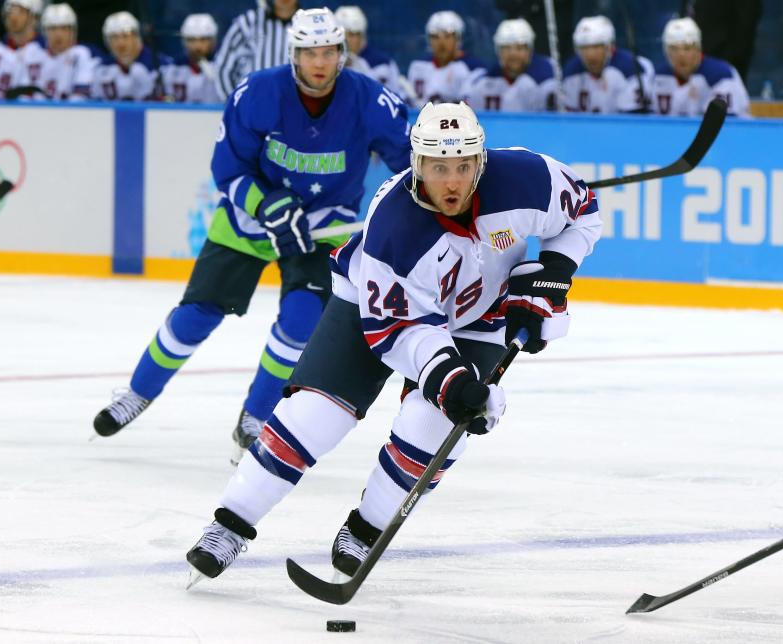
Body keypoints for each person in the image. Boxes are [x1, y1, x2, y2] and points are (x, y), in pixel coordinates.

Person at [183, 101, 602, 585]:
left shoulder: (527, 179)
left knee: (432, 428)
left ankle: (365, 530)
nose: (452, 181)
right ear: (417, 165)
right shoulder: (396, 226)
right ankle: (230, 524)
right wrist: (449, 378)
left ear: (480, 162)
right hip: (377, 307)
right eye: (438, 168)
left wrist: (555, 270)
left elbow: (584, 212)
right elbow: (400, 333)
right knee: (316, 415)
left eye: (463, 166)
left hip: (478, 313)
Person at [92, 8, 411, 466]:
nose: (319, 62)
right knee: (196, 315)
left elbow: (408, 164)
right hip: (250, 218)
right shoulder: (259, 91)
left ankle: (256, 417)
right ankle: (138, 392)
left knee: (302, 320)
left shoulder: (370, 100)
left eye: (328, 51)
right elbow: (227, 167)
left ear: (343, 54)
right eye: (308, 52)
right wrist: (267, 205)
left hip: (322, 226)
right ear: (293, 55)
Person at [652, 17, 749, 117]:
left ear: (698, 49)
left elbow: (728, 124)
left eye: (687, 48)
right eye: (674, 49)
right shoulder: (659, 76)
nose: (681, 55)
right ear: (666, 52)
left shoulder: (721, 75)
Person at [562, 15, 654, 114]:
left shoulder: (629, 69)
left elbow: (634, 121)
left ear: (610, 47)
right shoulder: (571, 70)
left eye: (596, 47)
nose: (590, 55)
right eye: (584, 48)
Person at [462, 18, 558, 112]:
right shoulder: (482, 83)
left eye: (519, 48)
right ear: (498, 51)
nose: (513, 54)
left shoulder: (545, 82)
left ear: (530, 51)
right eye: (507, 48)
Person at [213, 0, 298, 101]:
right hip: (252, 108)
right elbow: (223, 69)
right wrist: (237, 105)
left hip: (297, 110)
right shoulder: (248, 23)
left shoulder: (309, 26)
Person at [407, 10, 485, 105]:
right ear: (428, 39)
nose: (441, 43)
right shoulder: (418, 66)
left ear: (458, 38)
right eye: (435, 37)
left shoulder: (473, 69)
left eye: (447, 36)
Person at [92, 11, 170, 101]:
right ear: (107, 42)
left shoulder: (162, 66)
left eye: (126, 36)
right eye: (114, 38)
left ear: (137, 37)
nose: (121, 44)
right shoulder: (101, 69)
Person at [334, 5, 405, 99]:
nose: (355, 40)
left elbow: (395, 99)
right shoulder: (327, 61)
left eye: (358, 34)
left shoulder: (383, 63)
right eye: (350, 34)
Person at [37, 3, 96, 101]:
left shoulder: (81, 54)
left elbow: (80, 97)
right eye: (53, 28)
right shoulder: (35, 55)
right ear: (44, 31)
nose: (58, 34)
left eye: (64, 28)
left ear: (73, 31)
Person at [163, 13, 219, 104]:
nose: (197, 46)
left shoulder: (223, 69)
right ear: (184, 42)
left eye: (203, 40)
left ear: (213, 41)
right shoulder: (172, 69)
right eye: (192, 40)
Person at [2, 0, 49, 92]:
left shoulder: (46, 49)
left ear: (34, 18)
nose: (13, 17)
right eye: (10, 11)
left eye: (21, 11)